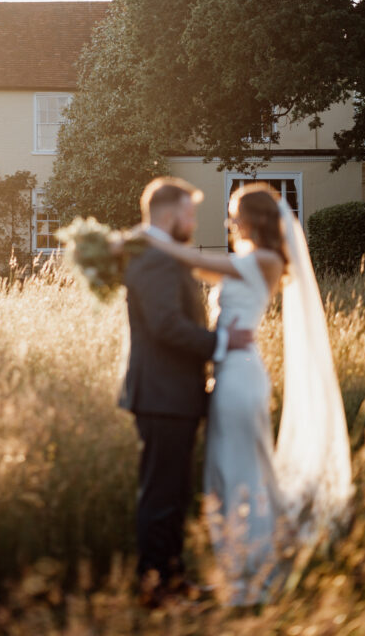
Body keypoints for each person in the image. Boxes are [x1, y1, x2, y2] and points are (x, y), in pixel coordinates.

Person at [142, 181, 352, 606]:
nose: (229, 219)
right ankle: (249, 562)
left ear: (255, 218)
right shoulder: (247, 260)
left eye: (235, 211)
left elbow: (191, 261)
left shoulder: (267, 259)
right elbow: (197, 267)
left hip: (239, 377)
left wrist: (149, 238)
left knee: (238, 472)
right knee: (231, 470)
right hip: (230, 374)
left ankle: (252, 573)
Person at [118, 177, 254, 607]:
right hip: (162, 393)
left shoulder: (156, 253)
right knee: (161, 494)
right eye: (190, 213)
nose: (194, 222)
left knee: (173, 492)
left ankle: (171, 579)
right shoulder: (155, 258)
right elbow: (165, 325)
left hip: (170, 392)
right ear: (170, 213)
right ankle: (155, 588)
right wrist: (219, 344)